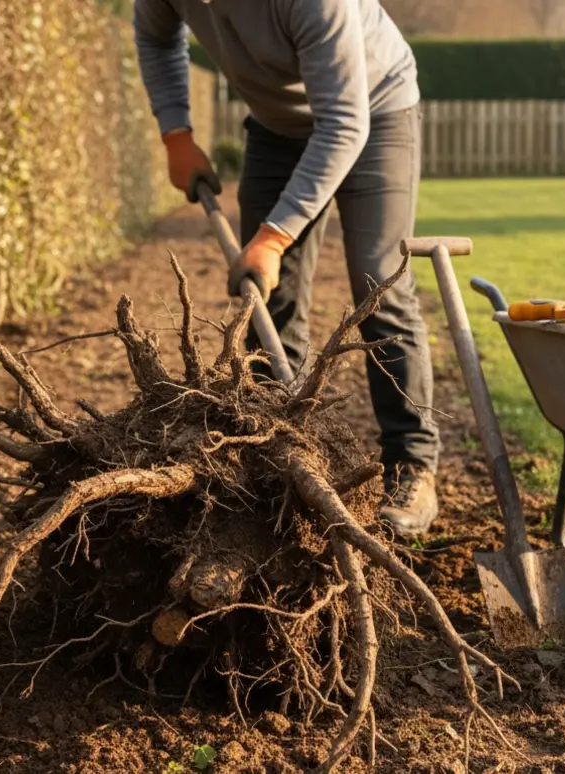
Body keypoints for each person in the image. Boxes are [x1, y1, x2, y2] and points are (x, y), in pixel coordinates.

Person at [133, 0, 440, 536]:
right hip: (278, 127)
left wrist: (275, 236)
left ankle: (412, 464)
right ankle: (278, 457)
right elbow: (158, 40)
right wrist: (175, 133)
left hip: (374, 110)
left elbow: (345, 126)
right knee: (267, 296)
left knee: (379, 285)